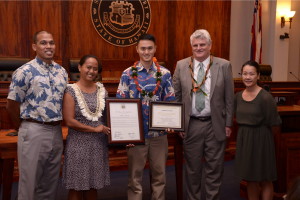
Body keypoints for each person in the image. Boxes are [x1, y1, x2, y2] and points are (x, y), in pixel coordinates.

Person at [173, 29, 234, 200]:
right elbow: (176, 96)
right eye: (195, 45)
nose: (199, 48)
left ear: (210, 46)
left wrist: (228, 123)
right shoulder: (181, 65)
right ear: (191, 47)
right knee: (192, 169)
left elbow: (229, 97)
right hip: (191, 125)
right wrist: (179, 123)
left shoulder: (223, 65)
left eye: (202, 45)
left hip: (216, 124)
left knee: (215, 167)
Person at [6, 30, 68, 200]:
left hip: (56, 131)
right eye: (43, 43)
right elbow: (11, 104)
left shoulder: (62, 72)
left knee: (50, 184)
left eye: (51, 43)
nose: (48, 46)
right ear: (34, 46)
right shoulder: (24, 71)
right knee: (29, 185)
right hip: (33, 129)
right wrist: (22, 127)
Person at [116, 34, 176, 200]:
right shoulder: (127, 74)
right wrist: (124, 134)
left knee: (160, 177)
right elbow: (121, 105)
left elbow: (170, 101)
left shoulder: (165, 74)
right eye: (143, 48)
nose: (146, 51)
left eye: (150, 48)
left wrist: (172, 122)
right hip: (136, 137)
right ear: (137, 49)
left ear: (155, 49)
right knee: (134, 179)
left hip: (159, 135)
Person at [62, 55, 111, 200]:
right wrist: (94, 129)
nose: (91, 71)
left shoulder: (102, 90)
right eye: (88, 67)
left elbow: (108, 117)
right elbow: (69, 121)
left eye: (95, 69)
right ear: (79, 67)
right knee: (76, 187)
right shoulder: (70, 91)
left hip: (98, 145)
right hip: (78, 145)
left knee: (93, 186)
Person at [235, 60, 281, 200]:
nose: (247, 77)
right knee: (250, 178)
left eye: (251, 74)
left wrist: (267, 144)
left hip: (262, 141)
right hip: (244, 140)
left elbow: (275, 124)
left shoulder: (266, 98)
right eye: (244, 74)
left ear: (258, 76)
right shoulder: (237, 96)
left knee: (265, 178)